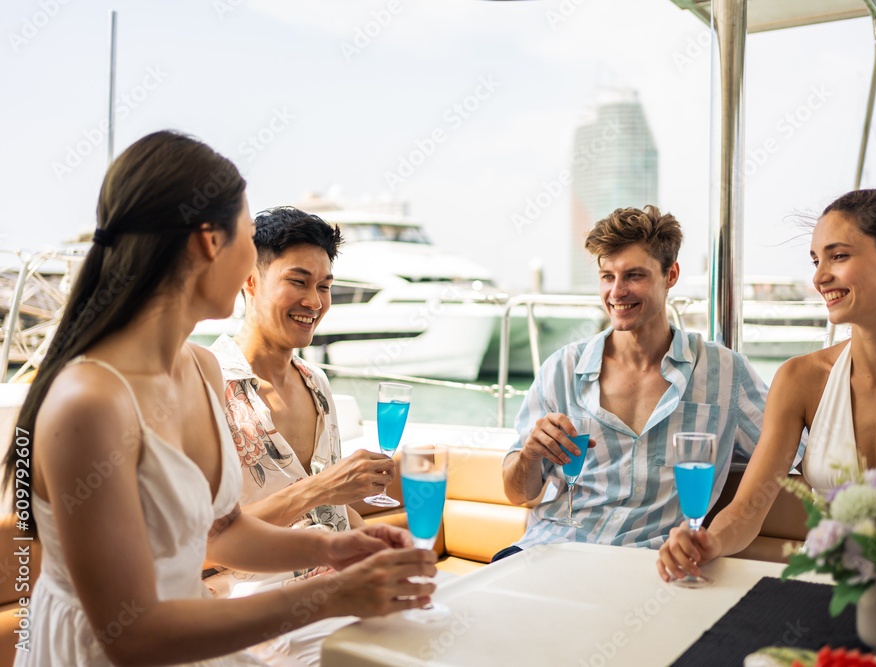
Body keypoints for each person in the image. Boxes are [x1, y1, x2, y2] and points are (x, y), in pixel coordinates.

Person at [2, 131, 435, 667]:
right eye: (250, 237)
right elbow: (131, 635)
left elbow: (222, 530)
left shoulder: (200, 369)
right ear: (210, 241)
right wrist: (332, 595)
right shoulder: (88, 402)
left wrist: (336, 549)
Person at [658, 188, 876, 583]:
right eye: (816, 260)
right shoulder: (801, 379)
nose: (820, 277)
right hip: (822, 598)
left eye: (839, 256)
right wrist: (709, 541)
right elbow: (746, 511)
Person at [498, 205, 769, 558]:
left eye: (634, 276)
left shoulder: (726, 373)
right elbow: (517, 493)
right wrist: (530, 455)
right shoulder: (561, 369)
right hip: (551, 550)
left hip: (653, 563)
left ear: (671, 274)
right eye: (607, 276)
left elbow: (792, 454)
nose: (616, 291)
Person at [204, 206, 394, 600]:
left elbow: (328, 515)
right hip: (261, 602)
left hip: (346, 584)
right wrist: (322, 488)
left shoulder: (317, 382)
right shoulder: (207, 384)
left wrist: (374, 541)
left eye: (325, 286)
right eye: (298, 281)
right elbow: (202, 543)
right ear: (249, 281)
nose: (314, 301)